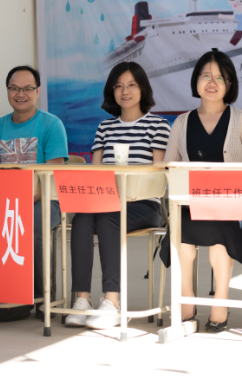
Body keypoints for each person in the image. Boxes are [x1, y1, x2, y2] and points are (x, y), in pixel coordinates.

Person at [160, 49, 242, 332]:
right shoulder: (181, 122)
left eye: (220, 77)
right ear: (196, 81)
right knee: (181, 232)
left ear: (230, 84)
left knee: (220, 234)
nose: (212, 82)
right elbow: (169, 168)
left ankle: (221, 300)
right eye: (206, 75)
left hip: (233, 205)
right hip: (192, 204)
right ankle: (186, 298)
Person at [65, 62, 170, 330]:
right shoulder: (105, 127)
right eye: (119, 86)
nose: (125, 91)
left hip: (145, 203)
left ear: (143, 88)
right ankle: (82, 300)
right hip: (107, 200)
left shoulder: (158, 125)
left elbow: (159, 176)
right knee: (81, 218)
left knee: (108, 217)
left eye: (131, 85)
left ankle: (112, 301)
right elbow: (96, 172)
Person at [0, 65, 69, 304]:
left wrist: (26, 200)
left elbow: (52, 175)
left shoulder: (51, 125)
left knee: (32, 222)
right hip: (6, 200)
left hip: (46, 199)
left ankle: (40, 296)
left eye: (27, 89)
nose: (20, 94)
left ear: (37, 91)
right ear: (7, 91)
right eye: (14, 88)